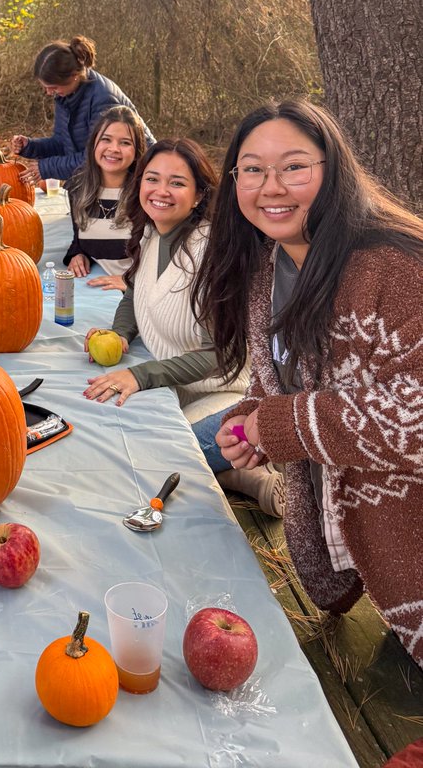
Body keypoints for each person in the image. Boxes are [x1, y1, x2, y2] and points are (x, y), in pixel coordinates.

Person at [194, 100, 423, 666]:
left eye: (294, 166)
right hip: (359, 546)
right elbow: (286, 387)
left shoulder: (394, 268)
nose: (272, 186)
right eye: (252, 169)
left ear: (332, 169)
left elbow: (414, 418)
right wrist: (248, 420)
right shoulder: (267, 269)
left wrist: (277, 423)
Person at [82, 138, 284, 516]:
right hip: (177, 383)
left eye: (176, 183)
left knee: (163, 454)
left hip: (227, 389)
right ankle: (243, 476)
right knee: (110, 435)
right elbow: (132, 292)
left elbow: (217, 355)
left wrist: (141, 375)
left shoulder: (210, 250)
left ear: (197, 195)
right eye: (152, 179)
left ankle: (249, 452)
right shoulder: (149, 232)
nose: (161, 191)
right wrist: (120, 334)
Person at [10, 35, 154, 185]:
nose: (48, 93)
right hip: (97, 182)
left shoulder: (104, 100)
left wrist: (46, 168)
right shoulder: (66, 96)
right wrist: (30, 146)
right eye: (45, 87)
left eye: (53, 87)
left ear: (74, 76)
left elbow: (98, 157)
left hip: (131, 181)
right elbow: (62, 144)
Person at [62, 105, 147, 290]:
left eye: (125, 142)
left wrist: (130, 282)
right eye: (106, 139)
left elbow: (161, 259)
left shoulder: (146, 193)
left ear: (136, 151)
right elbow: (79, 238)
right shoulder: (78, 188)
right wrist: (78, 253)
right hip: (98, 289)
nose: (114, 148)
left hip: (139, 292)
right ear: (94, 143)